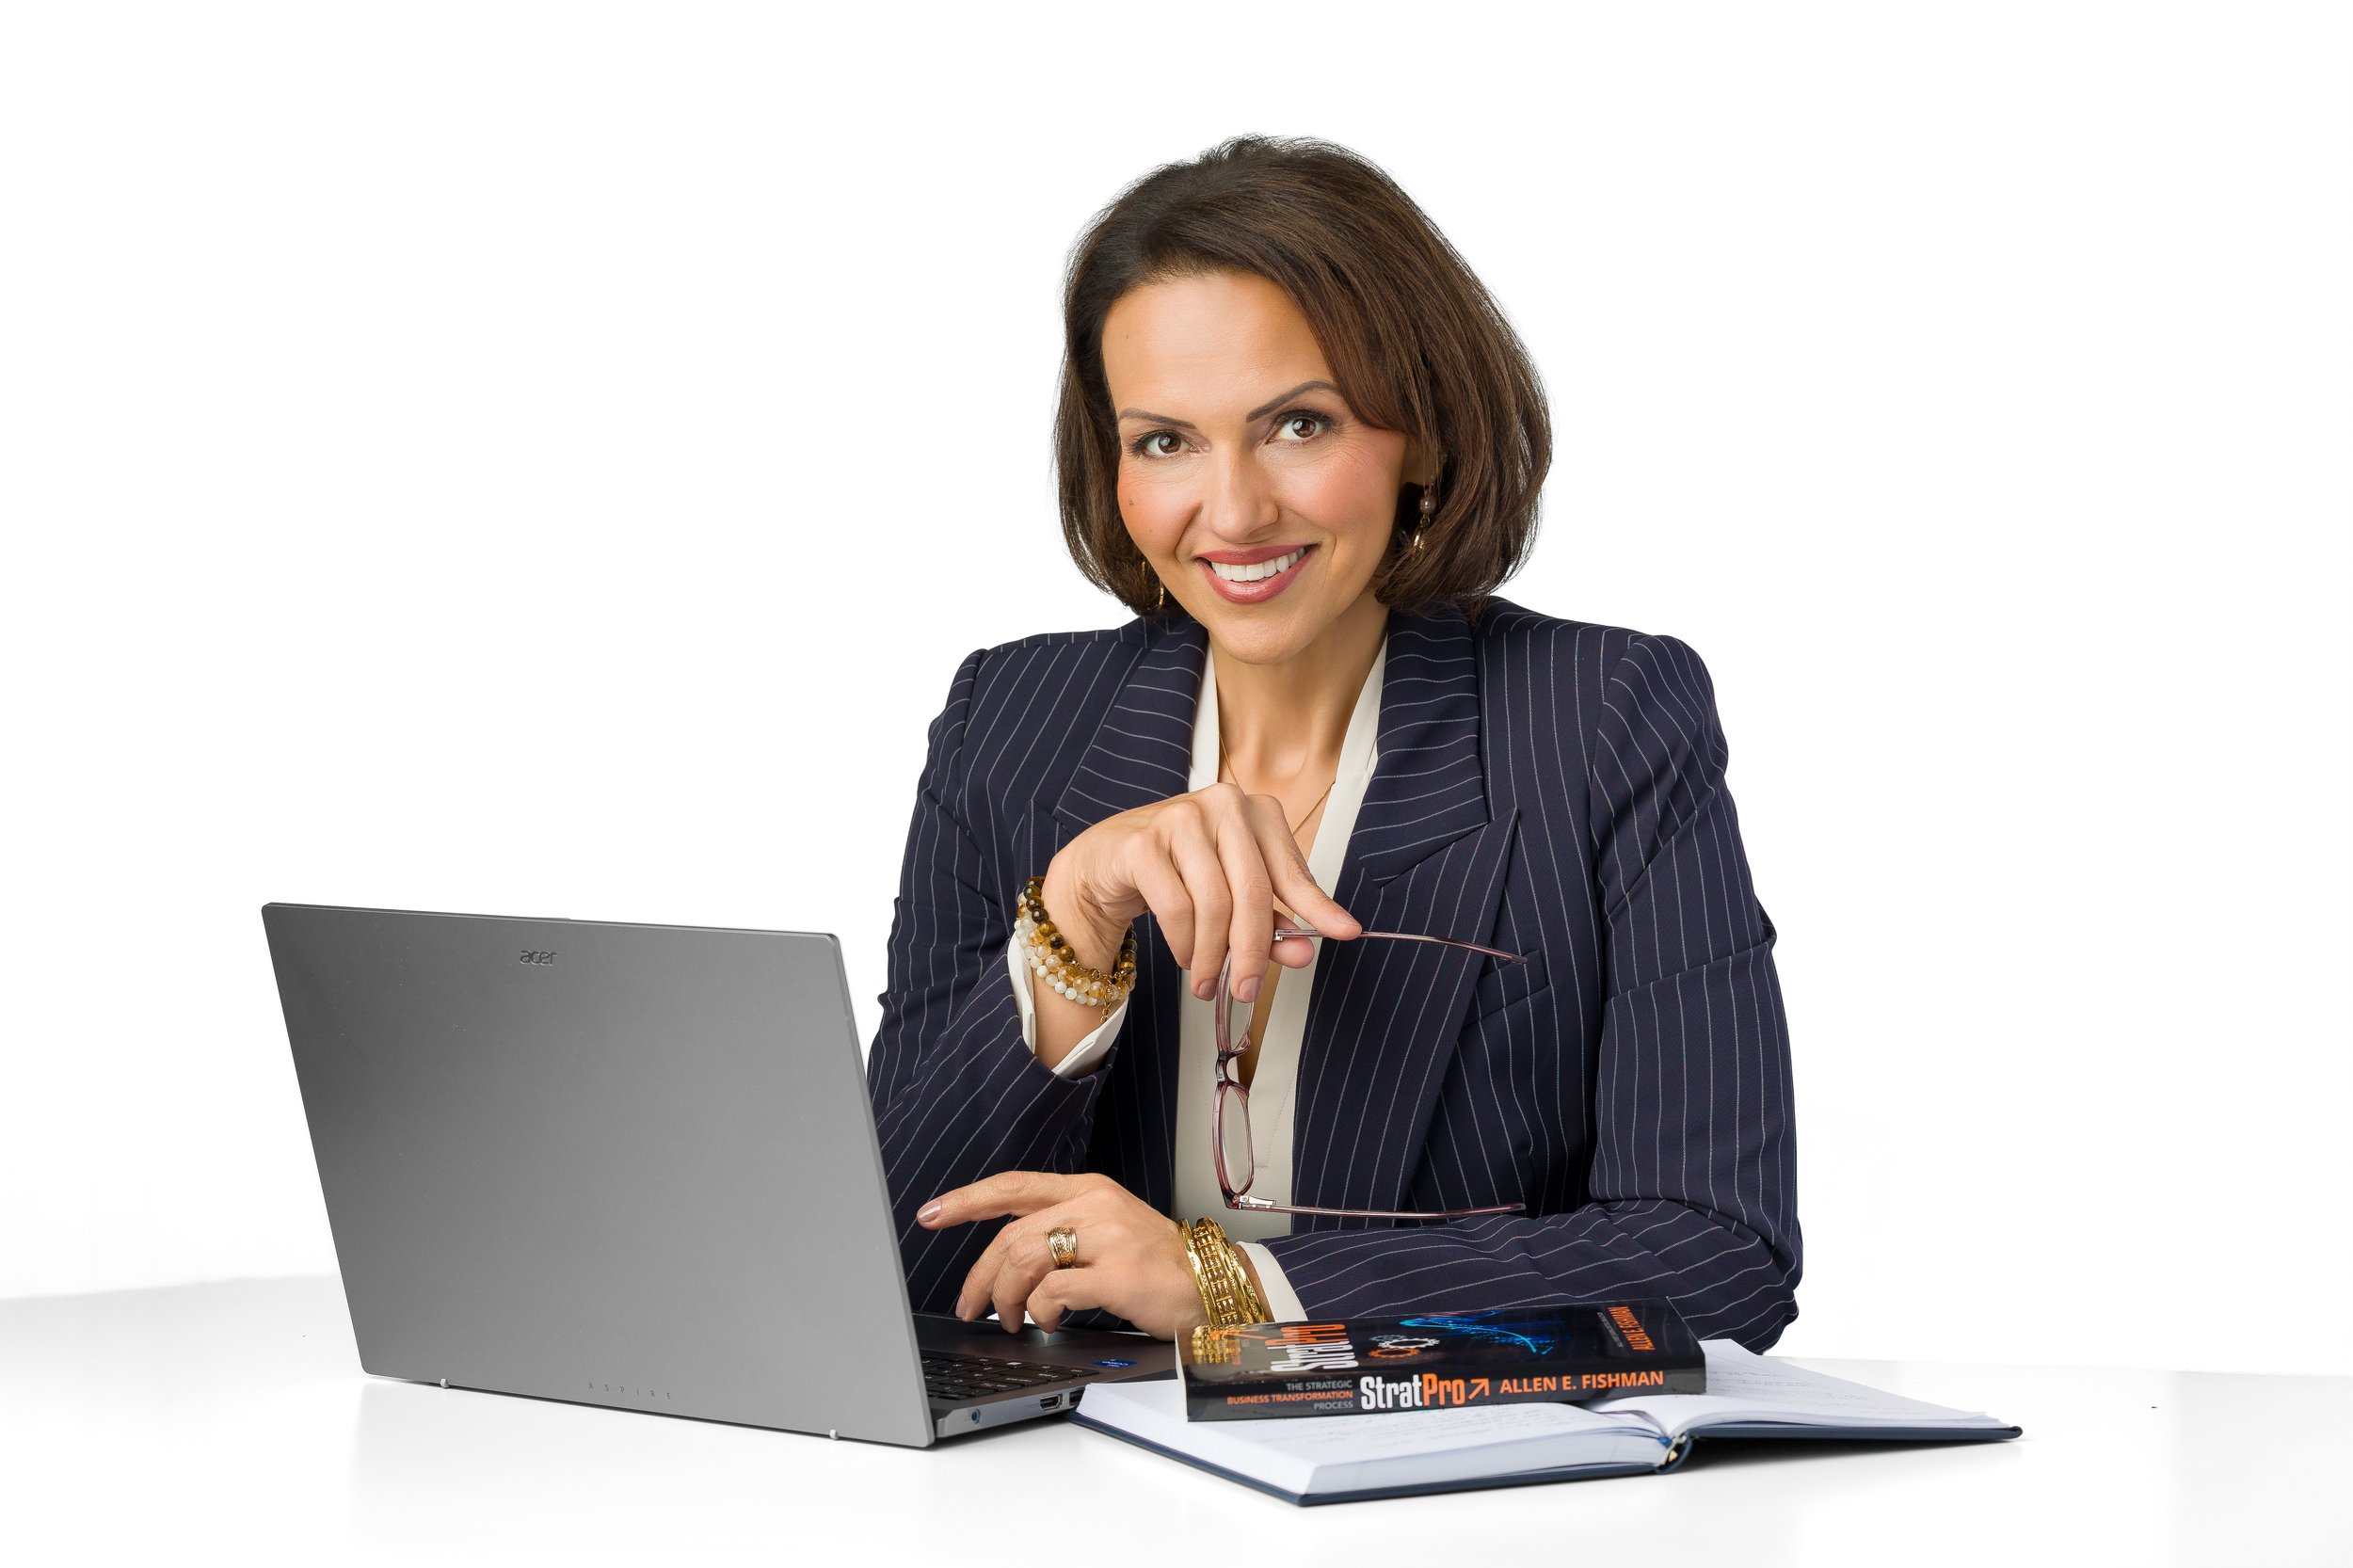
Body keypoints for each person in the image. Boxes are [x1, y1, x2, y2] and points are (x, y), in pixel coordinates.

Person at [866, 136, 1799, 1352]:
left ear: (1418, 430)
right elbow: (890, 1266)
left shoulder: (1605, 716)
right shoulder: (1012, 722)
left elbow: (1719, 1253)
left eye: (1298, 425)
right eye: (1165, 441)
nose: (1236, 508)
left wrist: (1234, 1284)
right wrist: (1073, 925)